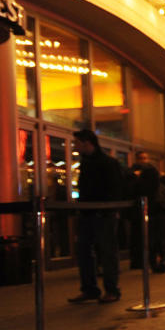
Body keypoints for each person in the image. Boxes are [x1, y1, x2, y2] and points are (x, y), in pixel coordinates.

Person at [68, 129, 124, 304]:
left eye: (77, 143)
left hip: (103, 214)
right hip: (88, 213)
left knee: (107, 251)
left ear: (87, 142)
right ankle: (90, 288)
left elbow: (115, 189)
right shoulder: (87, 163)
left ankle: (111, 289)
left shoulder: (107, 163)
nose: (75, 147)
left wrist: (107, 209)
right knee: (84, 250)